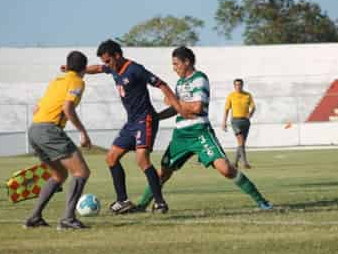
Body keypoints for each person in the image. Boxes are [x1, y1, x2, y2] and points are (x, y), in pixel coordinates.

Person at [136, 46, 272, 211]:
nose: (174, 68)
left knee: (226, 169)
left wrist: (174, 102)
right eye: (173, 65)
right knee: (162, 173)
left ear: (187, 62)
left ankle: (261, 201)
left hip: (199, 132)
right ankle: (141, 206)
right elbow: (177, 109)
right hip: (180, 135)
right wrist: (156, 117)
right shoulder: (180, 83)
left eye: (176, 64)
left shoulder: (200, 79)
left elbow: (198, 108)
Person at [84, 39, 188, 214]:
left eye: (108, 60)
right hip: (131, 122)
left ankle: (160, 203)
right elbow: (97, 68)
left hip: (145, 119)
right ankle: (122, 201)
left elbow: (161, 84)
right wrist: (77, 70)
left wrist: (177, 107)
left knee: (141, 159)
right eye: (104, 61)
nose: (106, 65)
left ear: (117, 55)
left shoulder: (135, 69)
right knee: (111, 158)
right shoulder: (112, 67)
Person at [25, 51, 92, 230]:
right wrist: (83, 132)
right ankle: (68, 219)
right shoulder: (77, 81)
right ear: (84, 68)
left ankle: (34, 217)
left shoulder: (56, 81)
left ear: (67, 66)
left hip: (34, 129)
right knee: (81, 172)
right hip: (49, 130)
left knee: (59, 175)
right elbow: (68, 107)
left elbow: (37, 108)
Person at [222, 79, 255, 169]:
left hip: (245, 121)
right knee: (240, 141)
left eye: (240, 84)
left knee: (242, 143)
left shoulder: (248, 95)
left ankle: (235, 163)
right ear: (234, 86)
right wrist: (224, 122)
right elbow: (226, 110)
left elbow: (253, 107)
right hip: (235, 121)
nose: (238, 86)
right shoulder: (231, 96)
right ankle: (245, 163)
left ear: (242, 85)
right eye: (236, 85)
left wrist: (250, 114)